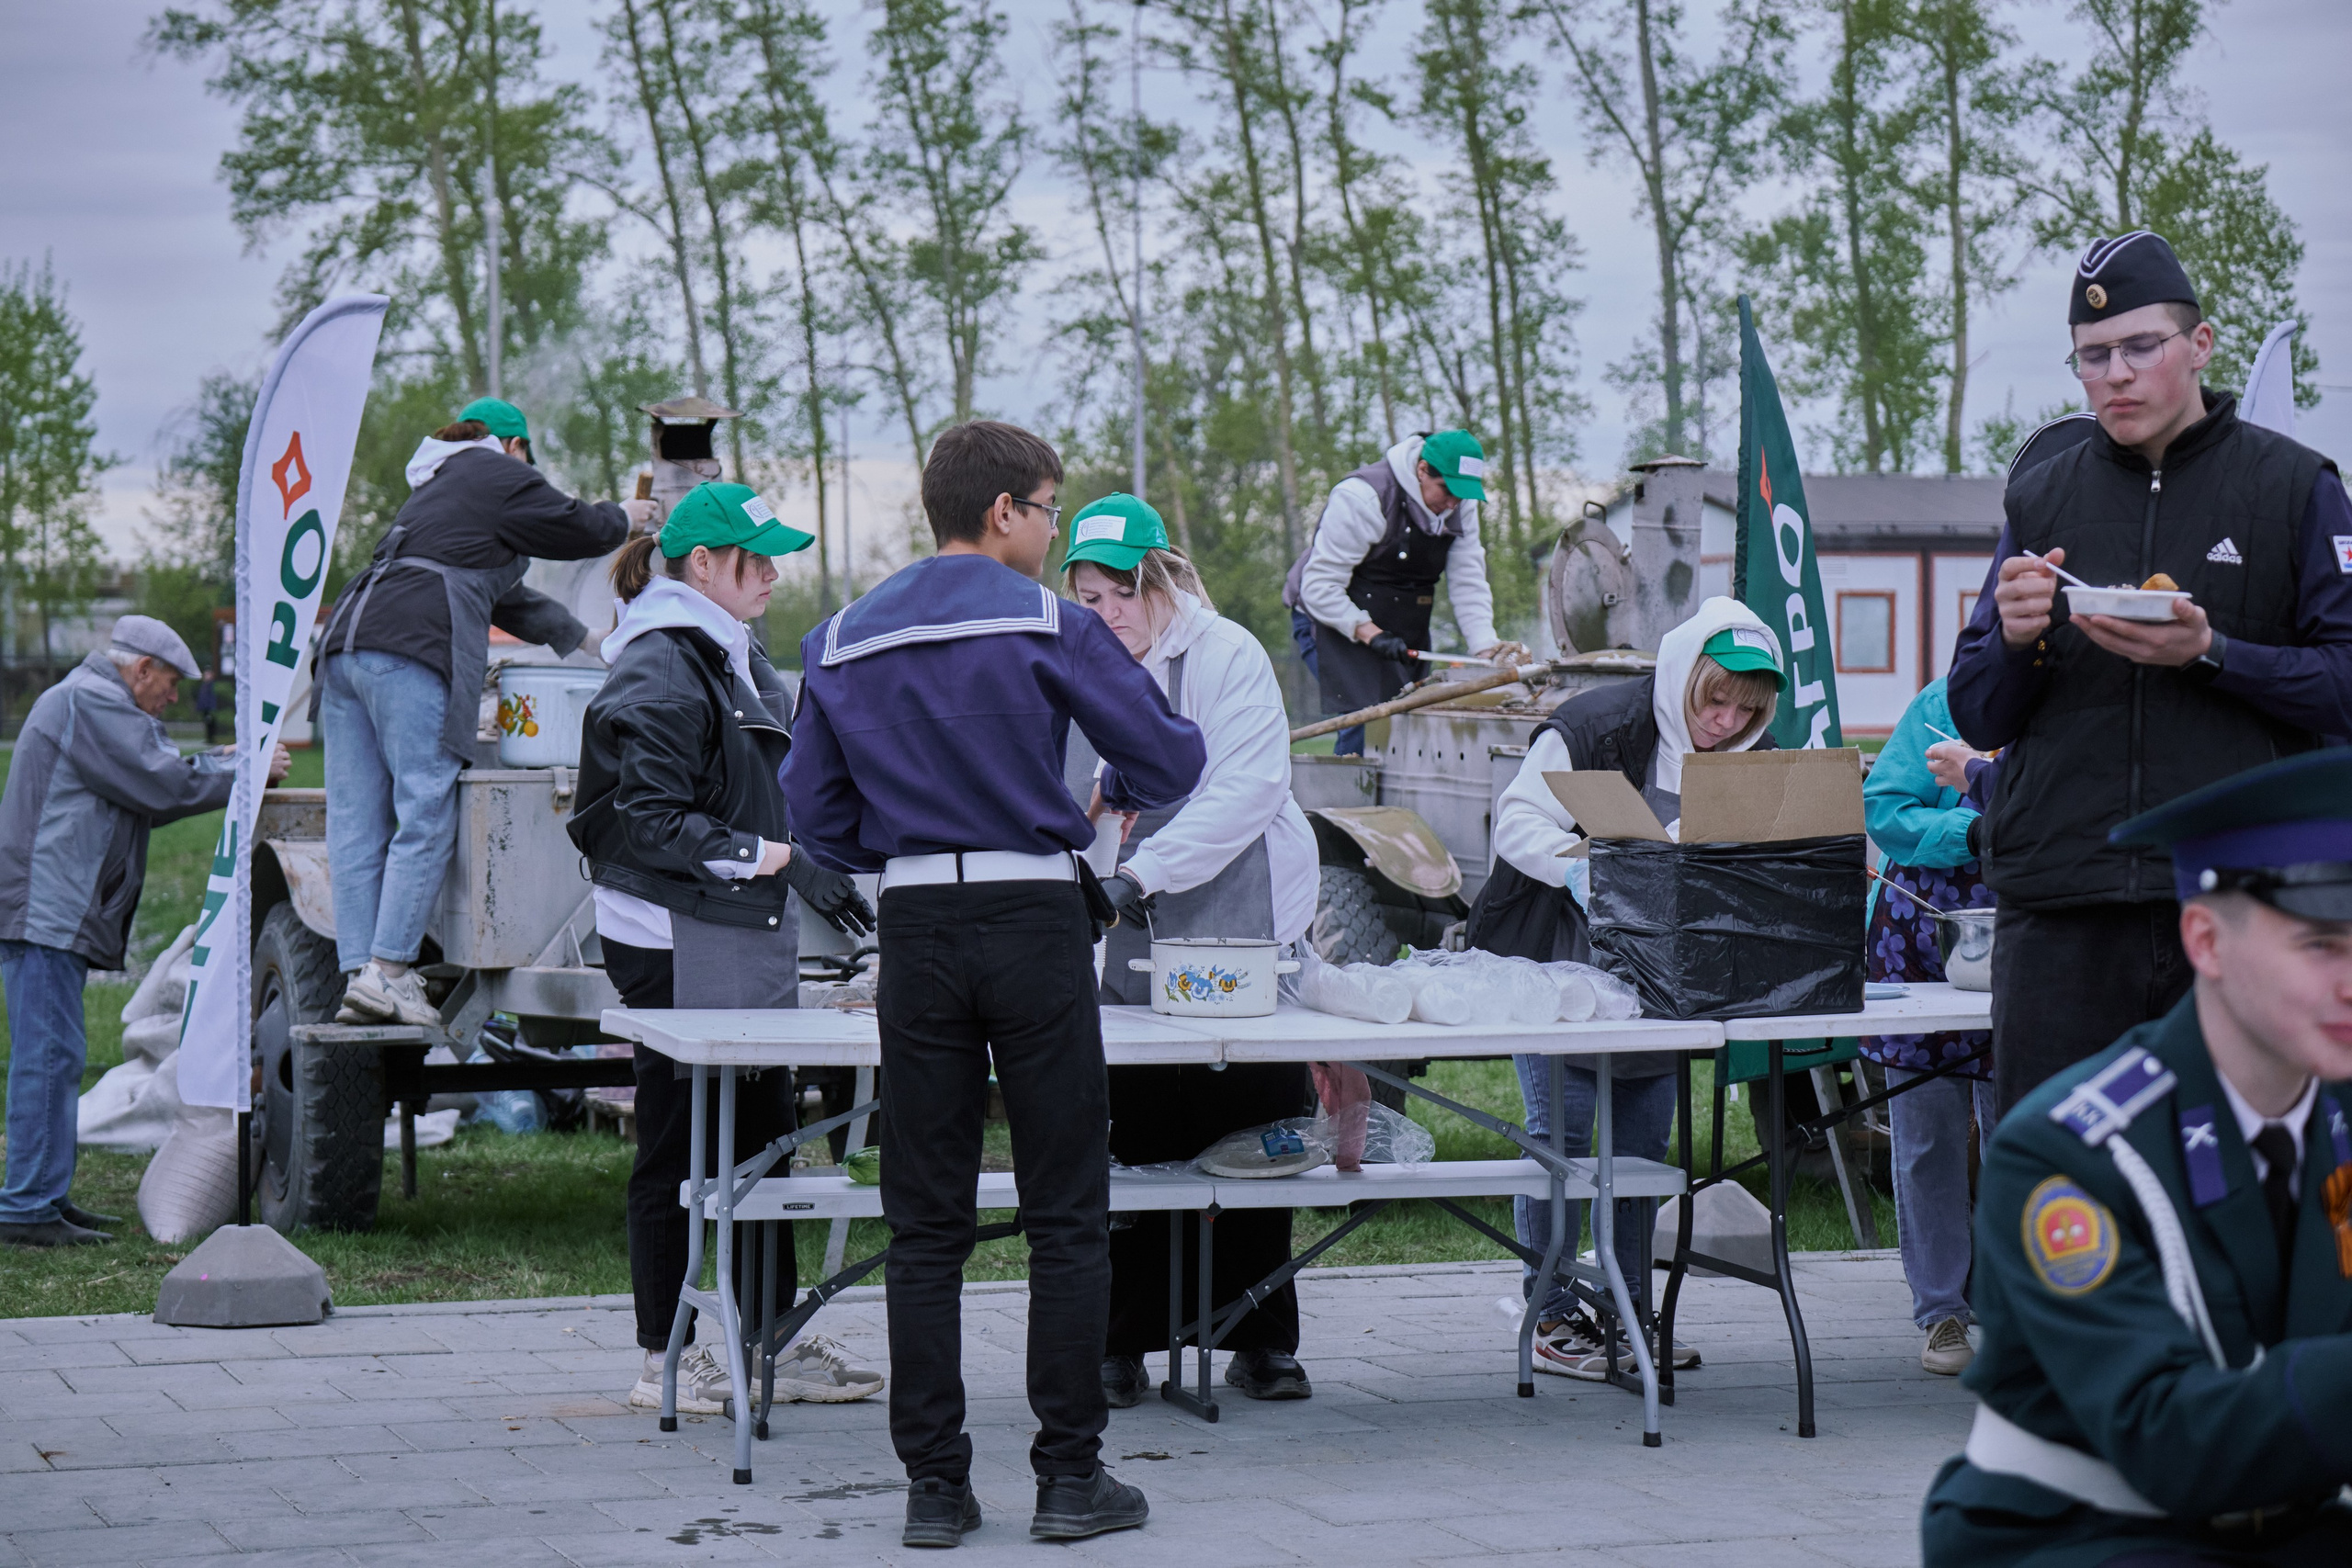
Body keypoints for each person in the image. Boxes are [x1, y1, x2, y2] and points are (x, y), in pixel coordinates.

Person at [782, 423, 1205, 1549]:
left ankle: (934, 1489)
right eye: (1051, 508)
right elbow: (1172, 759)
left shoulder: (837, 637)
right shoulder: (1050, 622)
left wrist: (904, 841)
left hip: (916, 921)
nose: (1055, 531)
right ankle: (1069, 1479)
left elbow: (814, 816)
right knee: (1067, 1211)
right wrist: (1108, 781)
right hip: (1033, 918)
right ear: (1004, 511)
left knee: (925, 1223)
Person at [1946, 231, 2352, 1117]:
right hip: (2061, 906)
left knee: (2239, 1176)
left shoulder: (2295, 488)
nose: (2116, 375)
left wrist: (2211, 654)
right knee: (2055, 1179)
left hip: (2239, 902)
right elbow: (1975, 711)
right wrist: (2012, 639)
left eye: (2140, 346)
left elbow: (2344, 684)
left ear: (2199, 344)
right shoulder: (2042, 497)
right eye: (2093, 356)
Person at [1921, 747, 2352, 1566]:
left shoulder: (2339, 1106)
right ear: (2207, 940)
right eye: (2321, 944)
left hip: (2292, 1521)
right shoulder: (2067, 1152)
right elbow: (2167, 1434)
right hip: (2079, 1532)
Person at [570, 481, 881, 1420]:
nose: (775, 574)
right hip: (675, 939)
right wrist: (782, 860)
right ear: (702, 564)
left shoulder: (720, 648)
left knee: (761, 1137)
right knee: (679, 1143)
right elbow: (652, 820)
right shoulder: (663, 662)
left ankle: (768, 1337)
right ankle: (662, 1356)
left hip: (729, 925)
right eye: (759, 557)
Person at [1465, 596, 1782, 1376]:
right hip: (1564, 968)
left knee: (1642, 1150)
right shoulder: (1594, 726)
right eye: (1715, 701)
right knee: (1563, 1140)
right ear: (1685, 679)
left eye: (1746, 711)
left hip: (1661, 982)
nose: (1725, 723)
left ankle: (1627, 1314)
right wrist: (1584, 868)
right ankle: (1551, 1314)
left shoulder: (1750, 755)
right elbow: (1517, 821)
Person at [1062, 493, 1323, 1409]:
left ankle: (1260, 1336)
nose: (1107, 615)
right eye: (1089, 599)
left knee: (1254, 1126)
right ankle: (1121, 1341)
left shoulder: (1226, 654)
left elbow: (1247, 788)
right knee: (1137, 1132)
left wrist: (1145, 873)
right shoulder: (1083, 660)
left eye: (1120, 595)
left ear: (1162, 579)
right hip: (1130, 927)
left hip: (1239, 913)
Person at [315, 397, 652, 1030]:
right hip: (413, 647)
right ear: (514, 445)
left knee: (357, 824)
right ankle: (390, 972)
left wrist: (589, 642)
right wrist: (623, 517)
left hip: (347, 646)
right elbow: (573, 524)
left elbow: (503, 597)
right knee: (425, 808)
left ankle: (362, 974)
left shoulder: (439, 486)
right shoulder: (490, 465)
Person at [0, 616, 289, 1247]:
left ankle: (43, 1194)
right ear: (141, 670)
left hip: (47, 910)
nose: (174, 698)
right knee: (48, 1056)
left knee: (56, 1054)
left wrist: (224, 762)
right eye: (171, 684)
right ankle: (26, 1205)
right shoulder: (92, 701)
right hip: (45, 911)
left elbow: (146, 790)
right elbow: (162, 783)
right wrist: (245, 769)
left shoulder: (83, 700)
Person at [1859, 677, 1996, 1377]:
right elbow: (1884, 808)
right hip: (1917, 937)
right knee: (1927, 1135)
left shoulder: (2082, 702)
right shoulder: (1946, 701)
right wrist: (1968, 832)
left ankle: (2022, 1303)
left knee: (2022, 1131)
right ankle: (1941, 1311)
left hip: (2031, 930)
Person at [1284, 431, 1530, 754]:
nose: (1453, 503)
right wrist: (1371, 634)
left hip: (1401, 621)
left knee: (1411, 718)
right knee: (1368, 721)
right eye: (1447, 490)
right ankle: (1352, 787)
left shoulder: (1461, 503)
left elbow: (1468, 578)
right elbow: (1318, 587)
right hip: (1331, 617)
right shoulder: (1363, 496)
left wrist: (1485, 647)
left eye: (1462, 494)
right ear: (1422, 470)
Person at [192, 668, 220, 745]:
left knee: (211, 723)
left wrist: (211, 708)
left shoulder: (212, 685)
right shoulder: (204, 685)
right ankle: (208, 738)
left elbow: (212, 698)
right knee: (207, 723)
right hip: (205, 708)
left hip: (210, 708)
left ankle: (211, 739)